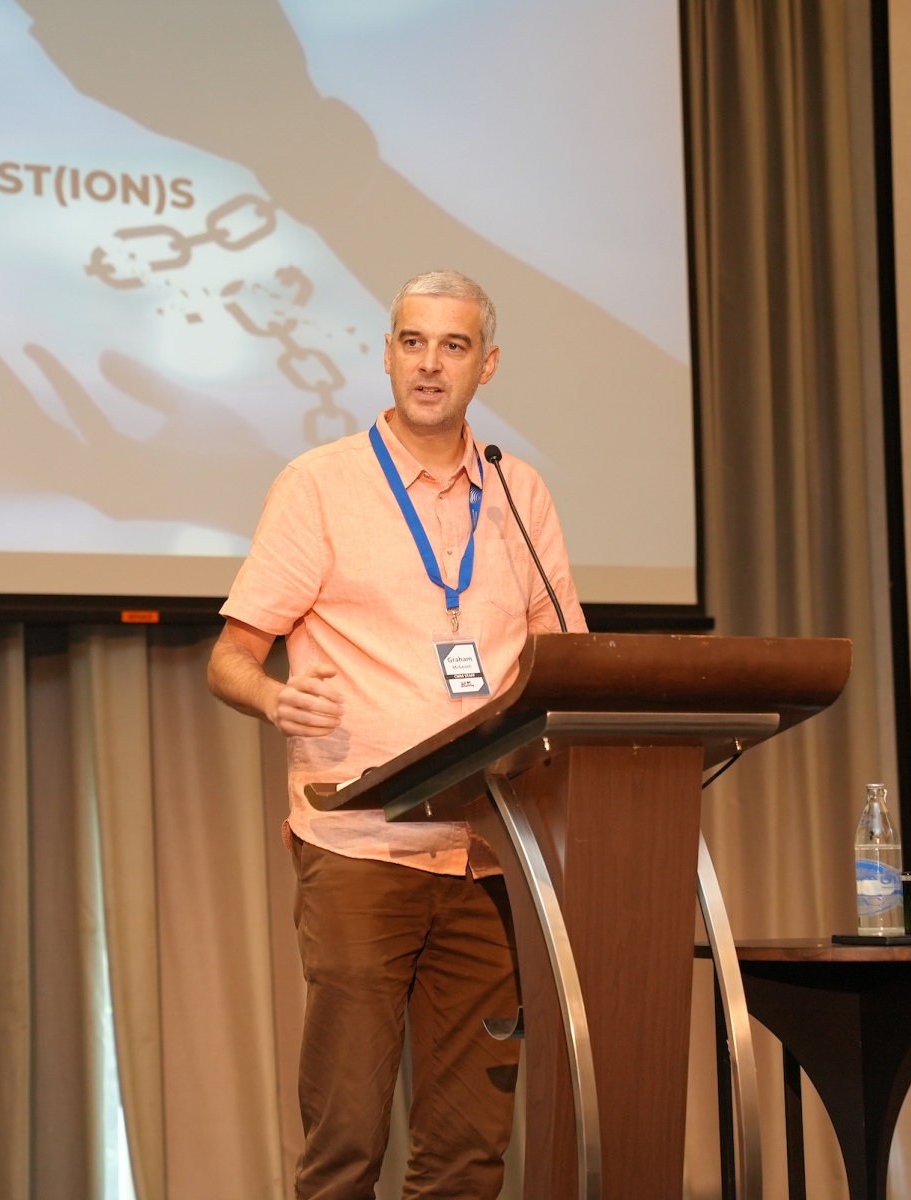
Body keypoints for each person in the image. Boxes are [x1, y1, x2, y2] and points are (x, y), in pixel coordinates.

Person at [207, 270, 588, 1198]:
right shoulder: (319, 486)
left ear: (485, 365)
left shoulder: (518, 491)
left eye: (452, 346)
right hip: (359, 847)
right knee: (344, 1142)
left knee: (468, 1155)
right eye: (412, 342)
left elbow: (568, 661)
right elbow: (229, 658)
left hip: (489, 854)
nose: (428, 364)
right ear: (385, 356)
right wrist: (274, 700)